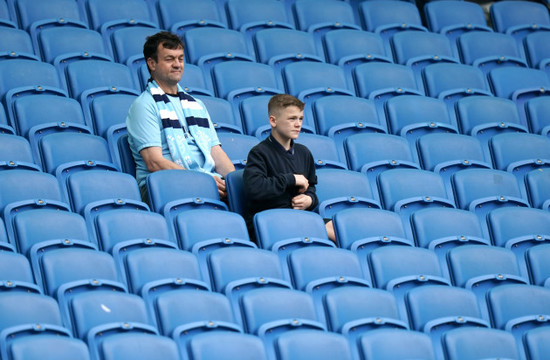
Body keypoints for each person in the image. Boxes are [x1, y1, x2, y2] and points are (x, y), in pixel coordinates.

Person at [126, 31, 234, 203]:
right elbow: (154, 162)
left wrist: (235, 183)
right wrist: (203, 181)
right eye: (169, 59)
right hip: (165, 186)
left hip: (205, 181)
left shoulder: (196, 104)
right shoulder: (144, 105)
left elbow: (216, 153)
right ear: (152, 63)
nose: (177, 64)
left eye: (180, 58)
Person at [243, 94, 335, 242]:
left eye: (300, 119)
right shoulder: (259, 153)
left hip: (300, 218)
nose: (298, 124)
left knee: (340, 230)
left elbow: (311, 187)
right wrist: (291, 179)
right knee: (325, 231)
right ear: (273, 121)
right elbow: (255, 188)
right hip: (271, 222)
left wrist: (309, 200)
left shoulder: (304, 152)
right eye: (292, 119)